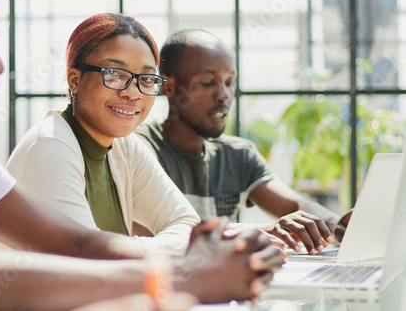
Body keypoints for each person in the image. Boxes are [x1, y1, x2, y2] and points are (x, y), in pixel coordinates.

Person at [0, 0, 283, 309]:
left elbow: (80, 243)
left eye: (145, 79)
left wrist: (196, 262)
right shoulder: (49, 145)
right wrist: (183, 276)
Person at [135, 29, 352, 255]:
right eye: (208, 82)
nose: (224, 95)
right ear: (169, 87)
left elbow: (296, 206)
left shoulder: (238, 155)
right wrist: (261, 230)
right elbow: (158, 239)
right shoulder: (139, 150)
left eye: (229, 82)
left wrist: (338, 224)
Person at [0, 13, 200, 254]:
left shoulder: (127, 147)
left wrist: (126, 247)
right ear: (75, 80)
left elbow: (188, 225)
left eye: (146, 79)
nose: (133, 93)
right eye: (114, 74)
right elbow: (86, 257)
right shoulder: (50, 146)